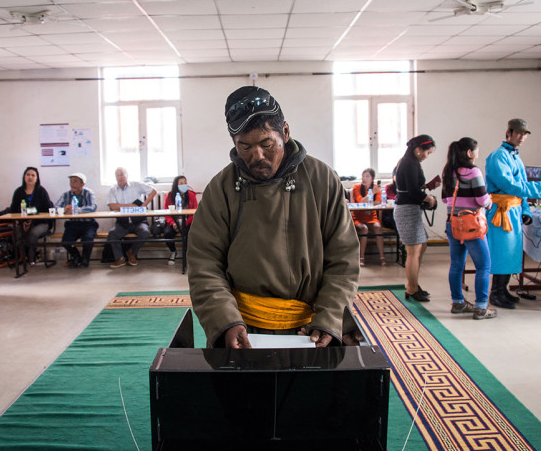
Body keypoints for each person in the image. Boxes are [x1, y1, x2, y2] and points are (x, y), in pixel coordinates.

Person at [187, 86, 362, 348]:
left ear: (286, 133)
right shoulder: (221, 188)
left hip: (312, 327)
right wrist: (224, 320)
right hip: (244, 327)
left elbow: (343, 258)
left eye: (266, 143)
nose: (256, 156)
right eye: (244, 147)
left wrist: (331, 315)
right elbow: (204, 263)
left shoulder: (322, 179)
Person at [485, 118, 541, 309]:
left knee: (511, 252)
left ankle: (503, 289)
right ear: (509, 132)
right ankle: (495, 293)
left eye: (525, 134)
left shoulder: (515, 157)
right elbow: (509, 185)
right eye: (519, 133)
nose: (522, 137)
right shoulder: (498, 156)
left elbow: (520, 187)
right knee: (501, 253)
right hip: (501, 212)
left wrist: (526, 210)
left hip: (513, 210)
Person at [441, 138, 496, 320]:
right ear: (469, 153)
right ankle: (481, 307)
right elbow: (482, 200)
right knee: (484, 266)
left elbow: (444, 199)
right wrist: (489, 203)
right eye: (477, 151)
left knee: (456, 265)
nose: (478, 154)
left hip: (452, 223)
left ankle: (458, 303)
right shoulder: (473, 172)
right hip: (471, 225)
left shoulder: (448, 171)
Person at [393, 134, 437, 302]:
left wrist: (426, 187)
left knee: (421, 246)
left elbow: (411, 187)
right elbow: (413, 191)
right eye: (428, 152)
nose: (427, 156)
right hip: (407, 210)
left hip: (410, 209)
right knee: (413, 251)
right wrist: (429, 198)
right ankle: (411, 288)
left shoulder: (410, 162)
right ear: (418, 150)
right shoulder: (409, 163)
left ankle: (413, 284)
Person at [106, 167, 157, 268]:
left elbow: (153, 191)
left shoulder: (136, 185)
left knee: (145, 232)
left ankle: (132, 253)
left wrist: (144, 205)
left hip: (138, 220)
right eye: (117, 175)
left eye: (122, 174)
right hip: (122, 222)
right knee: (112, 234)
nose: (120, 177)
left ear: (127, 175)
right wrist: (130, 205)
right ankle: (120, 258)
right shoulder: (113, 190)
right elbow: (112, 206)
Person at [9, 167, 54, 265]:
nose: (30, 177)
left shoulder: (41, 191)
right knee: (16, 233)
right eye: (28, 174)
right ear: (24, 177)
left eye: (33, 175)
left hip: (41, 222)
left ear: (37, 178)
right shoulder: (18, 192)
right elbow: (13, 209)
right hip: (23, 222)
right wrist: (17, 220)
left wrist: (34, 215)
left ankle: (32, 258)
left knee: (32, 233)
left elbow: (48, 209)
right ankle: (22, 257)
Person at [55, 172, 98, 268]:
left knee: (88, 240)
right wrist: (64, 209)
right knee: (66, 241)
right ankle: (76, 256)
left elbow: (93, 207)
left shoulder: (88, 193)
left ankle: (85, 258)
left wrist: (76, 210)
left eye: (75, 181)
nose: (72, 184)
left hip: (88, 223)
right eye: (71, 181)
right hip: (73, 224)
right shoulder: (66, 194)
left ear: (82, 184)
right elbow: (56, 207)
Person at [351, 168, 386, 267]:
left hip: (372, 217)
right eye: (363, 176)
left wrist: (370, 200)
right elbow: (360, 201)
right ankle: (361, 257)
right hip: (358, 217)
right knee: (364, 229)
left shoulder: (376, 188)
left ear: (372, 178)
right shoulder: (357, 187)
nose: (364, 178)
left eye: (367, 176)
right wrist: (372, 194)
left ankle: (382, 257)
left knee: (378, 227)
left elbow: (379, 202)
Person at [163, 175, 197, 266]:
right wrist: (173, 223)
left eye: (185, 183)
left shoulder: (191, 195)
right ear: (176, 185)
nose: (184, 185)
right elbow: (167, 212)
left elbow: (194, 212)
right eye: (181, 183)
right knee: (167, 233)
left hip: (187, 221)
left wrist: (185, 223)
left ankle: (188, 255)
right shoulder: (170, 196)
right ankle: (173, 252)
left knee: (189, 233)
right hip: (174, 221)